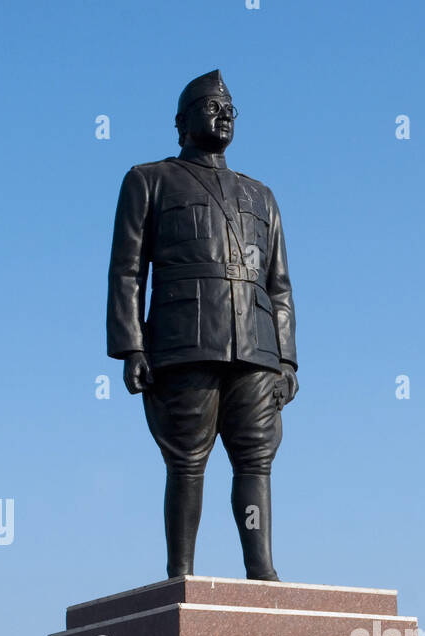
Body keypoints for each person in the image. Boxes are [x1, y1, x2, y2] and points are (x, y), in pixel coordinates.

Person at [107, 70, 298, 580]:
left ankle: (262, 573)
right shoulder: (148, 180)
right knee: (187, 461)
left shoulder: (262, 195)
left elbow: (278, 285)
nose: (224, 113)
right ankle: (181, 577)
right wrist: (131, 347)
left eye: (230, 106)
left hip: (255, 347)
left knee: (256, 461)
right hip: (184, 342)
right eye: (212, 105)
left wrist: (286, 359)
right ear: (181, 122)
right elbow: (128, 270)